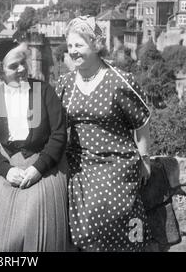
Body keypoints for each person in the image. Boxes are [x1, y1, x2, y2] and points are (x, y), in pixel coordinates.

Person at [56, 16, 152, 252]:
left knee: (112, 216)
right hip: (79, 165)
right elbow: (53, 127)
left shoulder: (120, 81)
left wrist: (145, 159)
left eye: (79, 45)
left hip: (116, 163)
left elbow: (142, 122)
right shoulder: (65, 83)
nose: (73, 52)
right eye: (70, 47)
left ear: (95, 45)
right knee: (79, 224)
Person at [0, 40, 69, 252]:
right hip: (9, 168)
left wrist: (38, 168)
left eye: (23, 63)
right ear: (0, 71)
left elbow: (59, 135)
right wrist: (7, 171)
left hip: (47, 165)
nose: (21, 69)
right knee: (1, 237)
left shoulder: (45, 91)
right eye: (13, 66)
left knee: (37, 214)